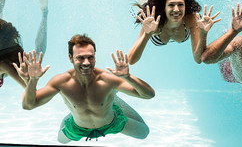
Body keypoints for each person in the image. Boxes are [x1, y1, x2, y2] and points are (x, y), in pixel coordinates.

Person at [14, 34, 155, 143]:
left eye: (90, 57)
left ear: (95, 57)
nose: (86, 62)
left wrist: (128, 77)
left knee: (144, 133)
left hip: (112, 122)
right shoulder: (62, 82)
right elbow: (28, 105)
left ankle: (113, 100)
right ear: (70, 58)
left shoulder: (107, 79)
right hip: (77, 127)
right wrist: (31, 80)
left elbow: (148, 95)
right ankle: (75, 112)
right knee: (60, 141)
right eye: (80, 58)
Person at [0, 0, 48, 88]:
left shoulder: (5, 65)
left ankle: (45, 13)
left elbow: (30, 92)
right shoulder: (5, 66)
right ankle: (45, 13)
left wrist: (31, 78)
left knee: (35, 57)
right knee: (36, 55)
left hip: (6, 61)